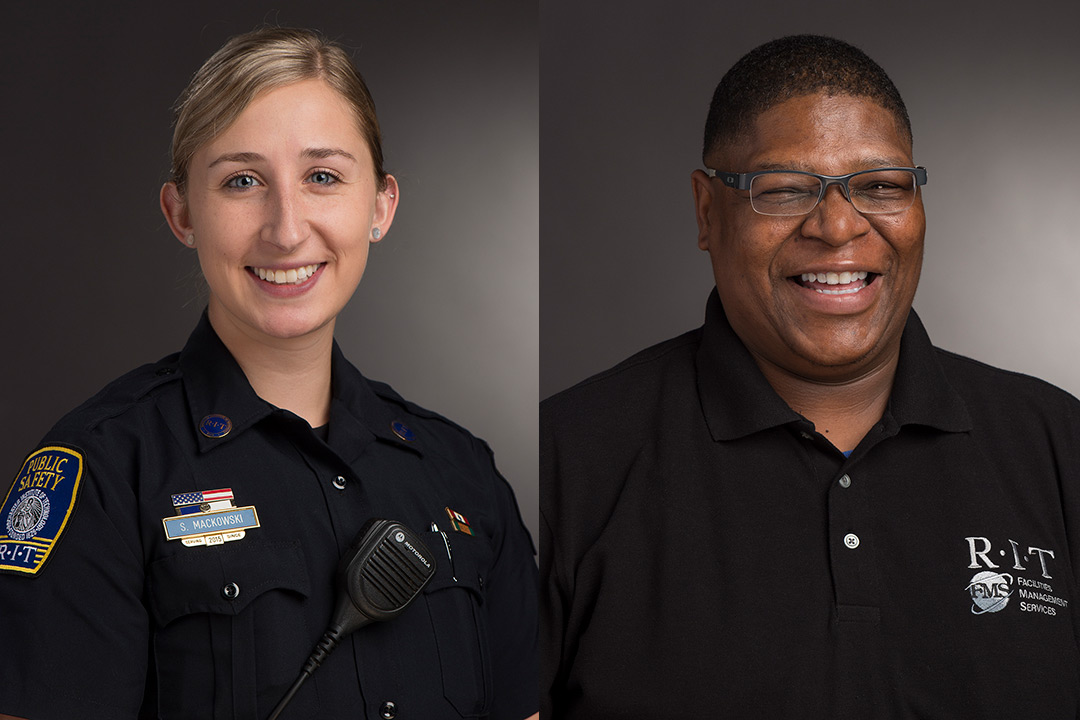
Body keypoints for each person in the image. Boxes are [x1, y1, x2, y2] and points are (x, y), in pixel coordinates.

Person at [0, 27, 538, 720]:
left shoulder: (465, 475)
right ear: (182, 213)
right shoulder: (103, 472)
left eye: (322, 177)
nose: (286, 229)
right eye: (242, 181)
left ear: (379, 205)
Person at [540, 35, 1080, 719]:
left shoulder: (1059, 446)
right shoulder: (565, 461)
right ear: (708, 212)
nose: (837, 226)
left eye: (880, 186)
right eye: (786, 189)